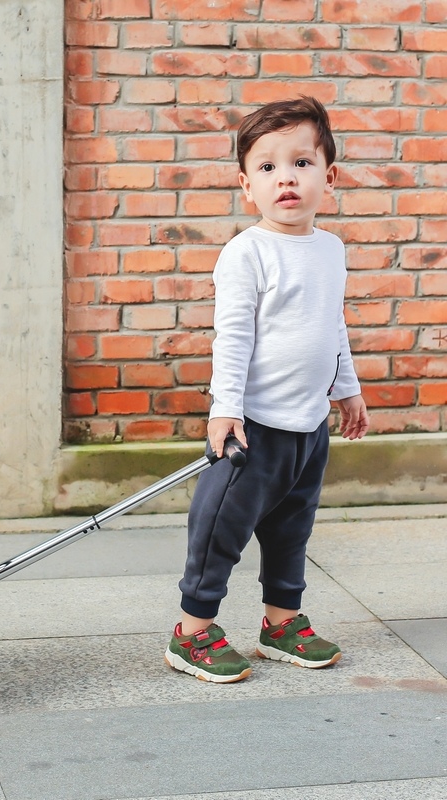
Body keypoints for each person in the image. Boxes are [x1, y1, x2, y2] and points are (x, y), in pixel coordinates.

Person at [164, 96, 370, 683]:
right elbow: (231, 339)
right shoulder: (246, 253)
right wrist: (224, 409)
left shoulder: (330, 251)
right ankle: (192, 632)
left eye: (302, 164)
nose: (286, 178)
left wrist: (346, 388)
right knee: (219, 528)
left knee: (291, 530)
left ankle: (282, 622)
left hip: (309, 428)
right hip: (252, 430)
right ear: (246, 186)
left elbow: (334, 325)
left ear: (328, 177)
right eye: (268, 167)